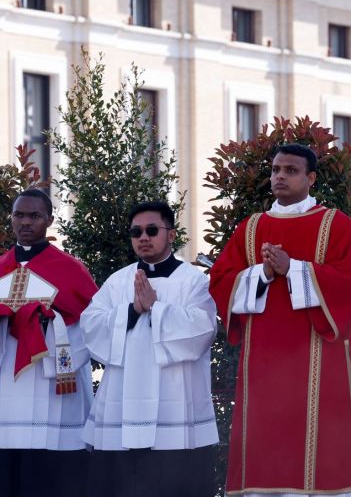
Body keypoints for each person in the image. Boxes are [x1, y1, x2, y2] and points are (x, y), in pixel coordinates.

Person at [209, 144, 351, 496]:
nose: (280, 176)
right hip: (264, 366)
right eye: (276, 170)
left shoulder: (335, 224)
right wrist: (263, 274)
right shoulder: (251, 227)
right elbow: (220, 281)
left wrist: (293, 269)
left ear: (310, 178)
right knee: (265, 459)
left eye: (291, 170)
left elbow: (349, 284)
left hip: (320, 362)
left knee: (322, 459)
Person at [81, 201, 218, 496]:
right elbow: (90, 326)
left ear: (171, 234)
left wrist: (157, 308)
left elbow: (203, 329)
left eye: (152, 230)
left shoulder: (193, 281)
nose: (143, 237)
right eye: (136, 232)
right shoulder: (118, 281)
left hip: (175, 413)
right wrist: (131, 310)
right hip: (120, 408)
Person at [0, 188, 98, 497]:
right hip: (5, 388)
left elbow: (93, 326)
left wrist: (50, 323)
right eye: (19, 215)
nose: (25, 222)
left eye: (34, 216)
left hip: (51, 386)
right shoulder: (1, 268)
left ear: (50, 220)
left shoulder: (70, 270)